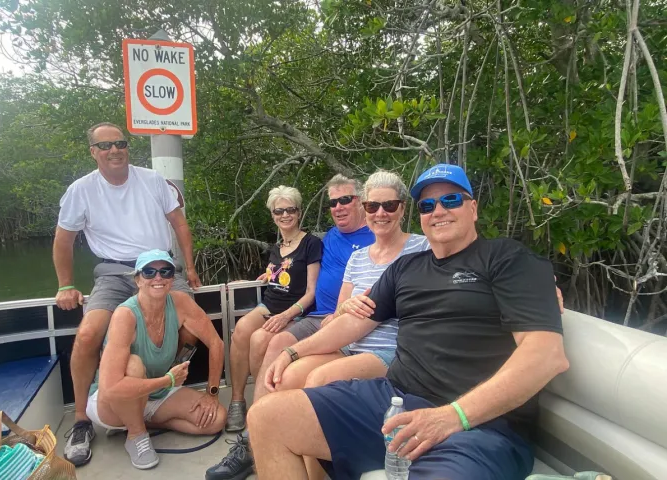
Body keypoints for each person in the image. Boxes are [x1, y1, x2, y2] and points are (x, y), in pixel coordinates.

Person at [249, 163, 570, 480]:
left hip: (482, 427)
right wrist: (292, 353)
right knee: (267, 417)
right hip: (395, 402)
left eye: (452, 200)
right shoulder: (407, 268)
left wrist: (451, 416)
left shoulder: (509, 259)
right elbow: (351, 324)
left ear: (473, 208)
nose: (438, 210)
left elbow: (546, 356)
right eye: (428, 205)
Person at [207, 174, 375, 480]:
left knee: (272, 346)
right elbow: (288, 267)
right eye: (333, 202)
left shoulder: (374, 234)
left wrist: (298, 313)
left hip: (334, 320)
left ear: (362, 203)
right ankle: (253, 426)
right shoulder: (332, 238)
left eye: (346, 200)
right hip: (317, 317)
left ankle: (250, 441)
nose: (338, 207)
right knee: (262, 340)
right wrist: (266, 276)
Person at [55, 122, 202, 466]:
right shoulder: (81, 190)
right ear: (93, 152)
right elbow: (63, 240)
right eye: (104, 146)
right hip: (113, 272)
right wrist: (65, 284)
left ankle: (158, 386)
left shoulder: (152, 180)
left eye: (120, 143)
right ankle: (80, 420)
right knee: (89, 333)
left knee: (192, 327)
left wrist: (189, 268)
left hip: (160, 269)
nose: (114, 151)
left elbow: (180, 224)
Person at [272, 170, 428, 392]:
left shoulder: (422, 248)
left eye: (389, 206)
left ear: (402, 208)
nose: (380, 213)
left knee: (320, 379)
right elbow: (337, 316)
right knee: (287, 378)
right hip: (348, 346)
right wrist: (345, 307)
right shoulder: (357, 258)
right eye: (373, 206)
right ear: (365, 209)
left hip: (391, 349)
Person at [86, 249, 226, 470]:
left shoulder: (180, 302)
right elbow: (111, 388)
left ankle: (141, 421)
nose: (158, 278)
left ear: (172, 278)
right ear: (138, 280)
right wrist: (167, 381)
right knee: (133, 364)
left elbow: (216, 344)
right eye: (149, 272)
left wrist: (212, 393)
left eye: (165, 271)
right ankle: (135, 433)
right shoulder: (125, 315)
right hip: (110, 403)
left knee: (215, 419)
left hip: (155, 396)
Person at [225, 186, 322, 432]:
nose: (285, 215)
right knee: (240, 331)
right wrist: (258, 279)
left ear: (299, 212)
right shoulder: (276, 247)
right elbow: (277, 275)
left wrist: (286, 316)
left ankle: (264, 407)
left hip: (296, 311)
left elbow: (312, 291)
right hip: (268, 304)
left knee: (259, 340)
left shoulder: (311, 244)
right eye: (279, 210)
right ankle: (237, 401)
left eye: (291, 209)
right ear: (273, 214)